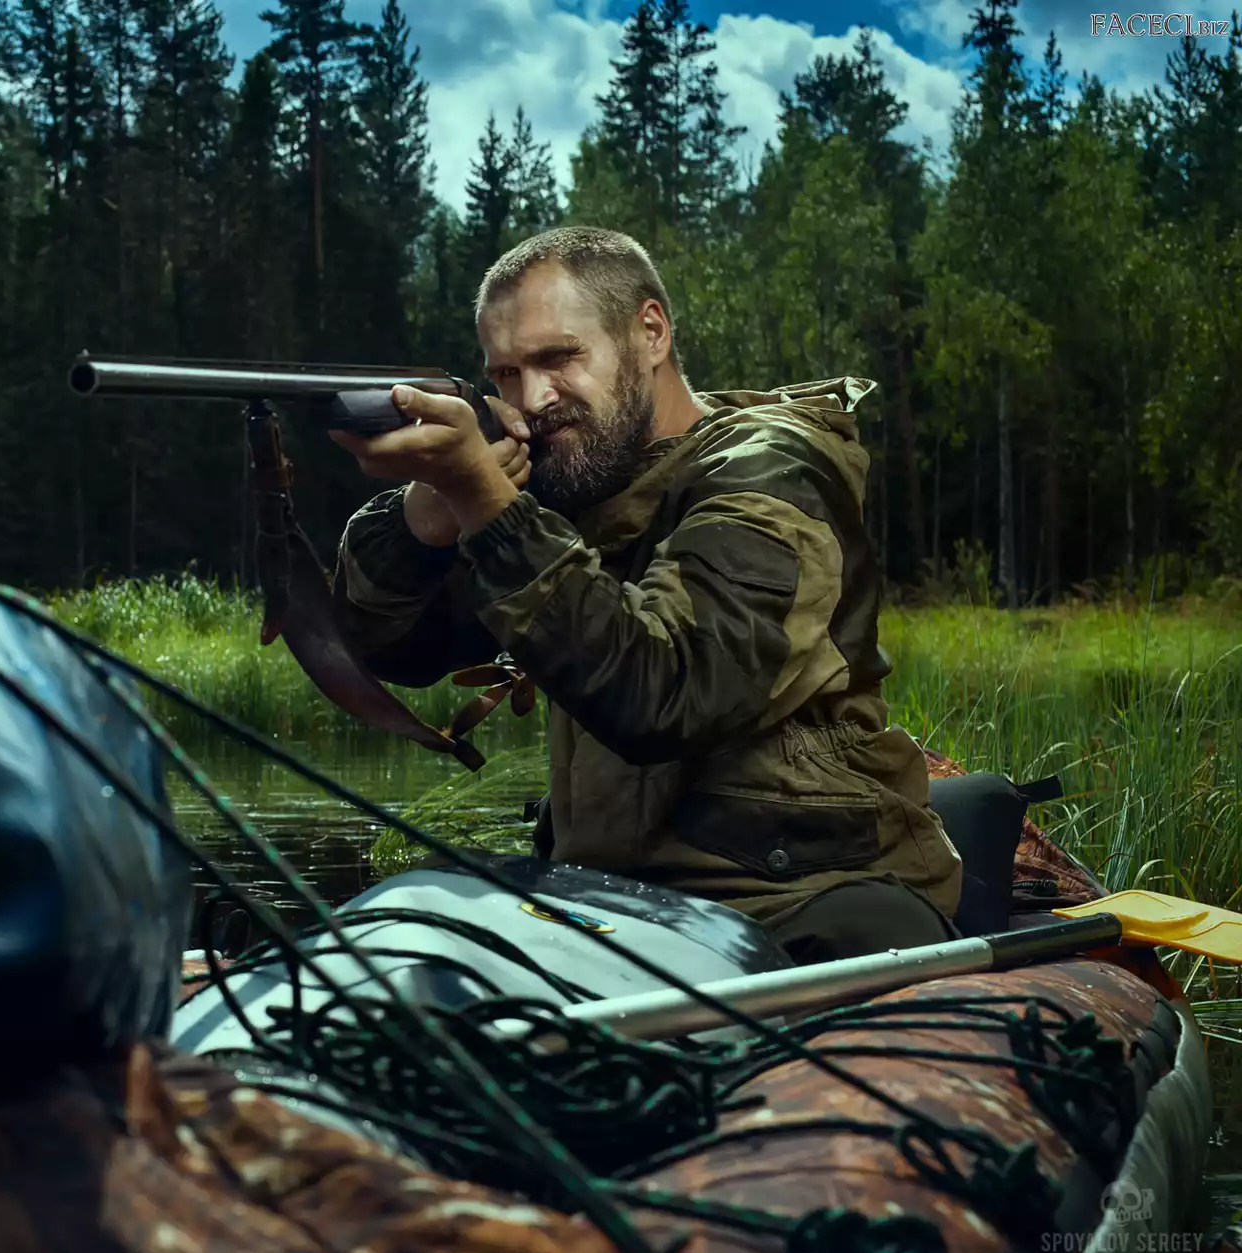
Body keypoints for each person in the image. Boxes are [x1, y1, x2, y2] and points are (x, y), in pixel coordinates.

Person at [327, 226, 963, 964]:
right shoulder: (575, 483)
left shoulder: (770, 471)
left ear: (651, 333)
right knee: (412, 916)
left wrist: (484, 501)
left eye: (558, 358)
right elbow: (391, 647)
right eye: (505, 374)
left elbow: (664, 689)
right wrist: (422, 523)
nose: (533, 399)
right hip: (618, 906)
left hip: (801, 898)